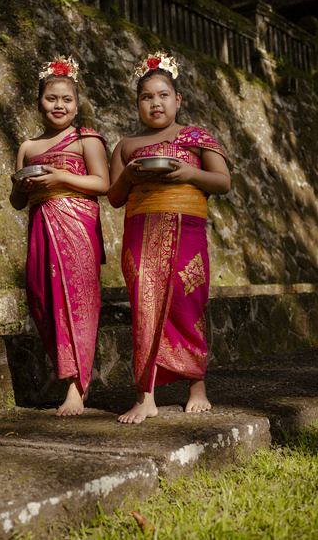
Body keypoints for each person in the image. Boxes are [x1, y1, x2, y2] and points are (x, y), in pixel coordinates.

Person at [108, 52, 231, 424]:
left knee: (188, 303)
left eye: (163, 95)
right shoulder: (126, 146)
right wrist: (129, 175)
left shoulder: (196, 137)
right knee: (144, 305)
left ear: (178, 100)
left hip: (187, 231)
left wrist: (188, 175)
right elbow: (114, 197)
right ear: (137, 103)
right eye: (147, 97)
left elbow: (223, 182)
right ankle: (145, 396)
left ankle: (197, 385)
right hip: (140, 234)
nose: (155, 103)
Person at [10, 55, 109, 416]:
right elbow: (17, 201)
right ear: (39, 101)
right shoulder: (27, 147)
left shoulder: (86, 138)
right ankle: (84, 373)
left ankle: (74, 387)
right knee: (41, 300)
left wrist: (61, 178)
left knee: (76, 304)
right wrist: (23, 186)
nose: (59, 105)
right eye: (52, 98)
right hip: (41, 227)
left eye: (67, 99)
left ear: (77, 104)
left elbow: (102, 183)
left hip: (76, 228)